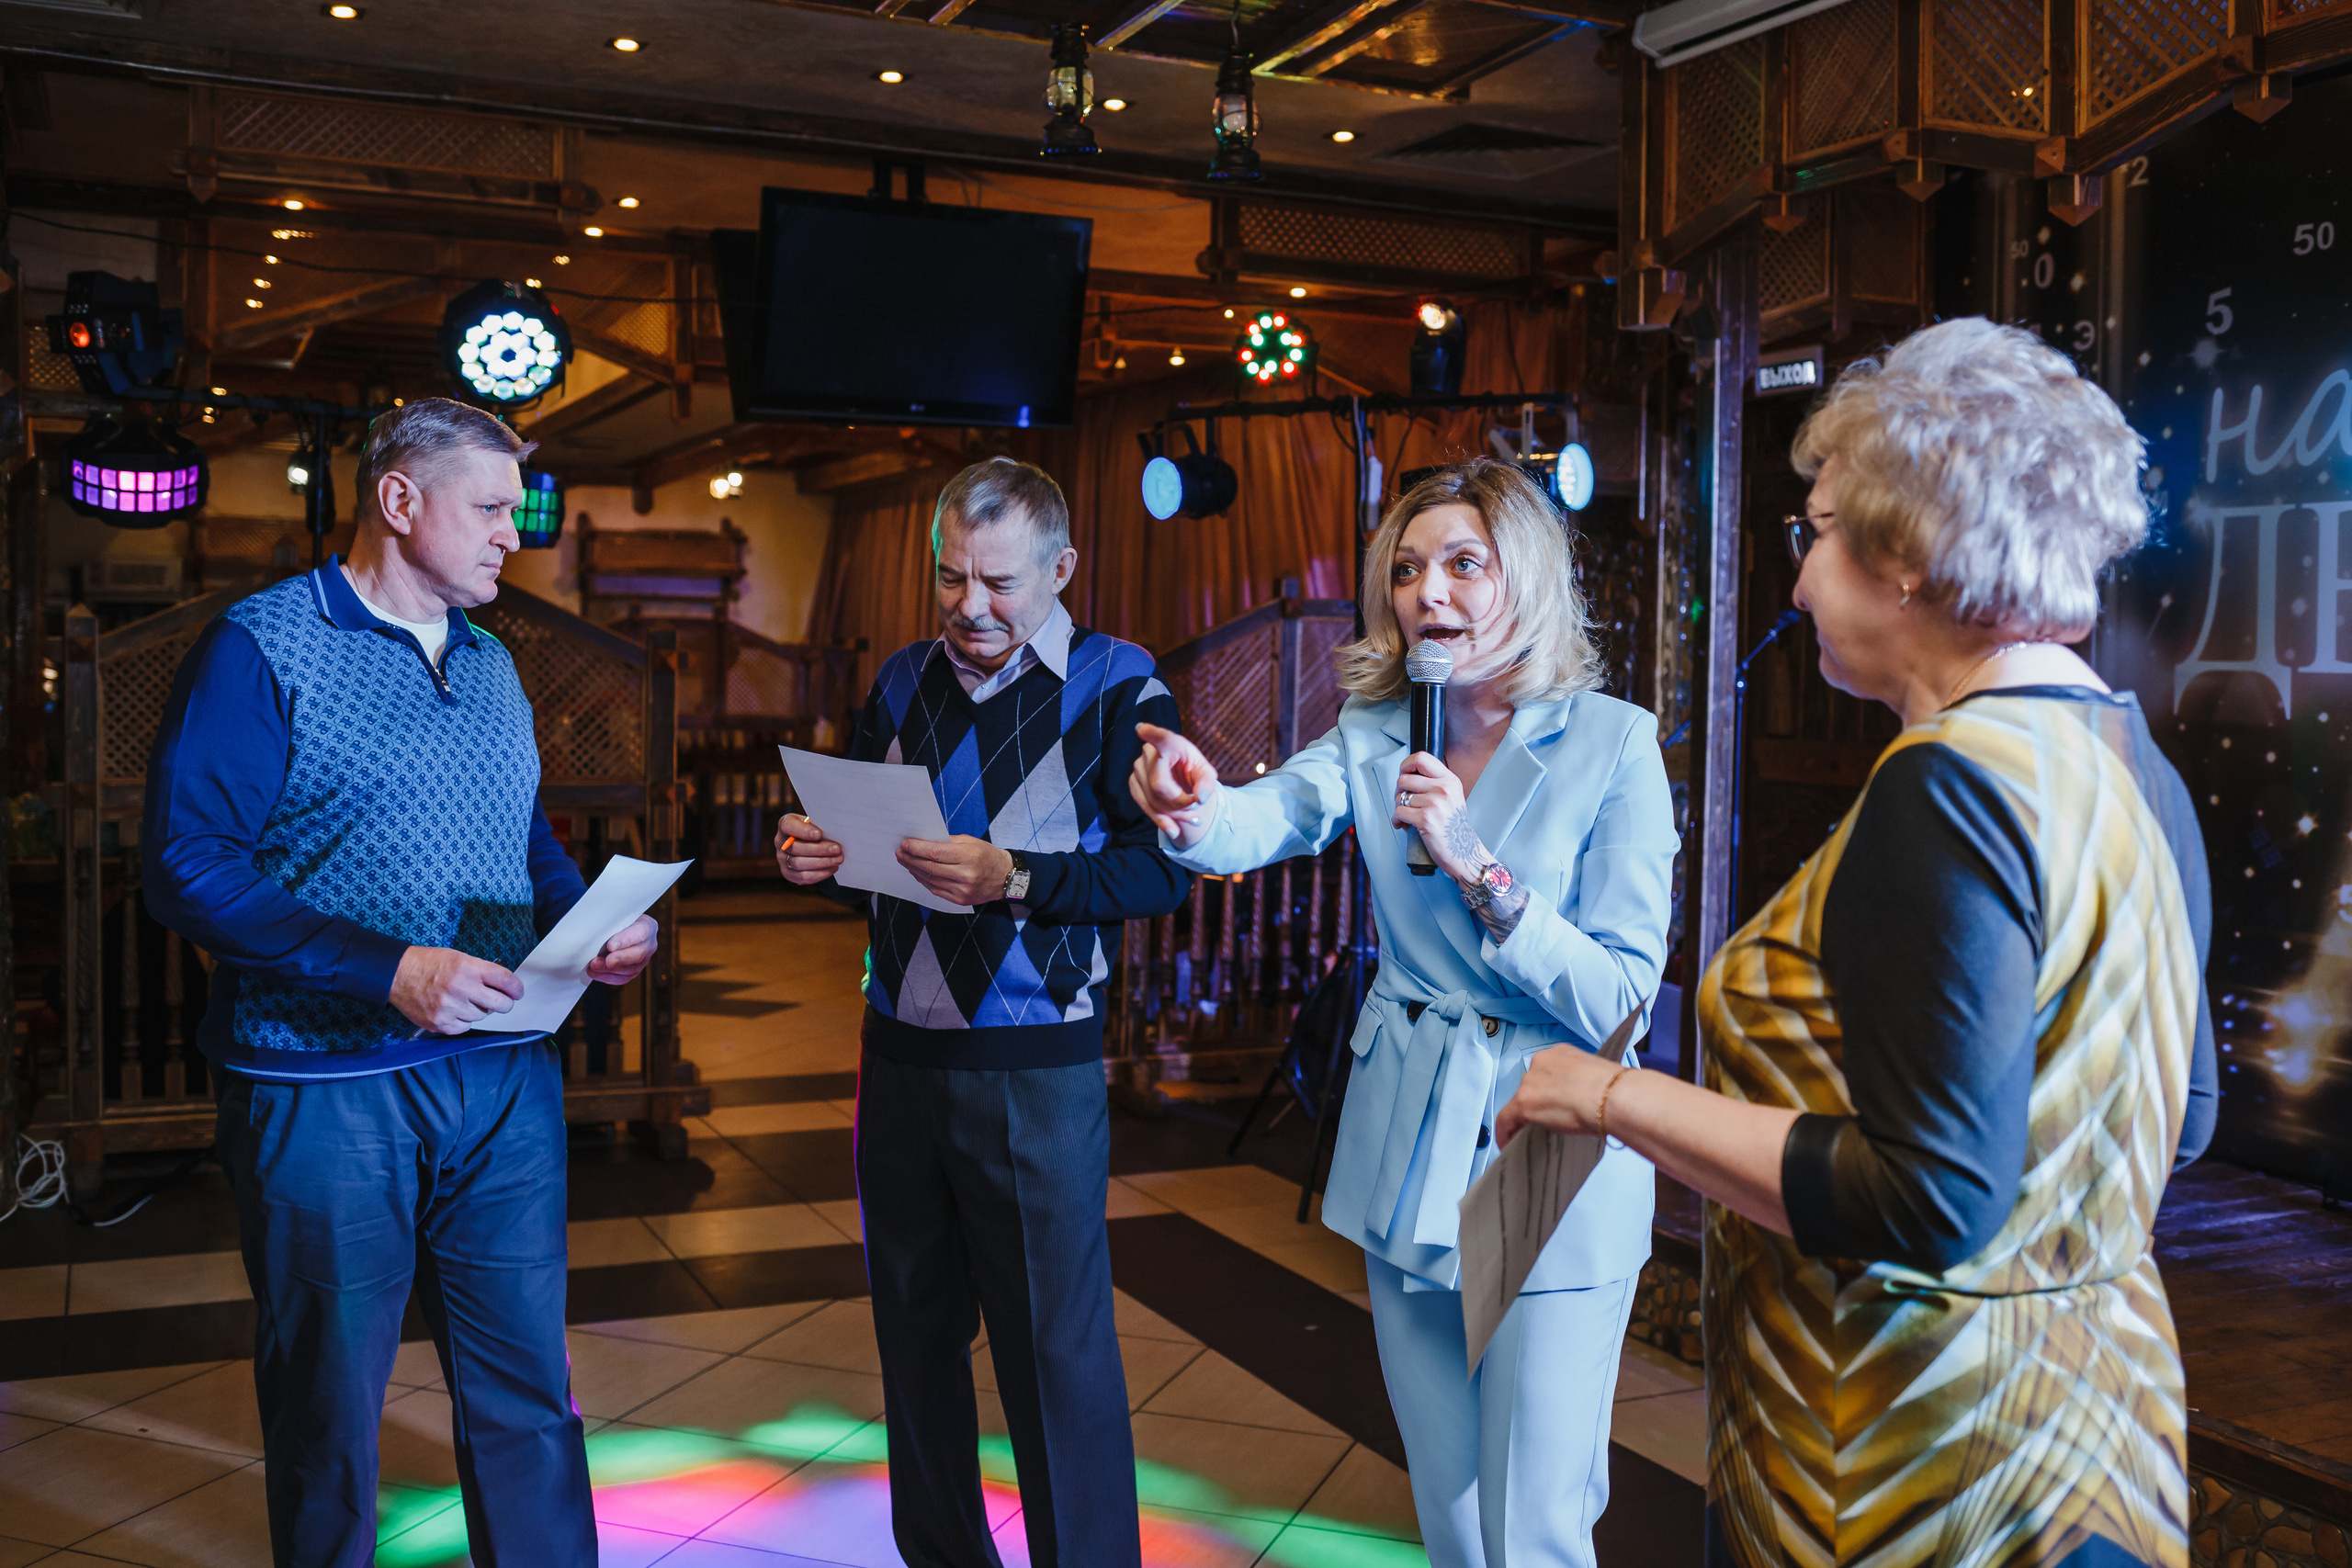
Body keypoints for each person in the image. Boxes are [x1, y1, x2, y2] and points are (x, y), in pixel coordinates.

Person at [1496, 318, 2221, 1568]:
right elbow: (2183, 1113)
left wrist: (1611, 1094)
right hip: (2105, 1441)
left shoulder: (1944, 785)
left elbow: (1929, 1193)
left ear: (1911, 553)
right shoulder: (2129, 758)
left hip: (1907, 1464)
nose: (1795, 582)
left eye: (1817, 531)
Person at [1130, 458, 1679, 1568]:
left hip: (1549, 1143)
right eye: (1408, 568)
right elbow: (1270, 815)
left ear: (1525, 577)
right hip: (1409, 1135)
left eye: (1464, 564)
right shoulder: (1375, 727)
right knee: (1451, 1510)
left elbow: (1620, 994)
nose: (1430, 592)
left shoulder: (1613, 742)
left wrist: (1476, 864)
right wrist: (1193, 805)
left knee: (1533, 1522)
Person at [143, 398, 659, 1568]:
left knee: (530, 1390)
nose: (513, 535)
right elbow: (187, 866)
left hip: (502, 1075)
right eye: (490, 509)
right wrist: (390, 971)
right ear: (397, 499)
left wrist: (590, 925)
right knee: (327, 1402)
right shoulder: (260, 645)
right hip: (323, 1085)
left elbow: (522, 841)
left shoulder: (493, 660)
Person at [775, 457, 1189, 1568]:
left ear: (1061, 568)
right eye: (952, 577)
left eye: (1000, 582)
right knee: (913, 1344)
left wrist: (1015, 876)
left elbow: (1161, 875)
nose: (972, 606)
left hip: (1035, 1072)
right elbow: (871, 858)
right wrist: (815, 856)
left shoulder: (1120, 684)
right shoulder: (901, 678)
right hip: (896, 1061)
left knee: (1056, 1359)